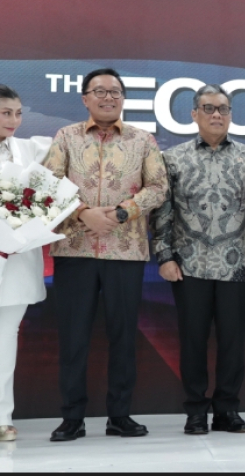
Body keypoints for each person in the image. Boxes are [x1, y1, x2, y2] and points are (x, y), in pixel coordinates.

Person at [43, 68, 168, 441]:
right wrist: (84, 214)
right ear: (85, 98)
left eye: (114, 92)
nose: (108, 97)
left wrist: (120, 213)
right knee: (73, 336)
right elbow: (49, 185)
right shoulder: (65, 138)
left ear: (123, 98)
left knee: (123, 336)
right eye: (99, 91)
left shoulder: (143, 140)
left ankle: (120, 415)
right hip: (74, 250)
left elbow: (159, 187)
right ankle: (72, 418)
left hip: (125, 252)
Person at [151, 84, 245, 435]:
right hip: (189, 265)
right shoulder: (173, 158)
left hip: (238, 263)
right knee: (192, 340)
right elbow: (162, 212)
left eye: (222, 108)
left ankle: (227, 410)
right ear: (194, 114)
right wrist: (164, 256)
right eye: (208, 108)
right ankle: (196, 411)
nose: (216, 114)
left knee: (233, 341)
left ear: (231, 114)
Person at [0, 85, 52, 441]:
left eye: (18, 113)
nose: (14, 121)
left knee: (5, 340)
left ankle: (2, 417)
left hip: (16, 260)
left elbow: (71, 144)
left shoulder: (30, 148)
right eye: (6, 113)